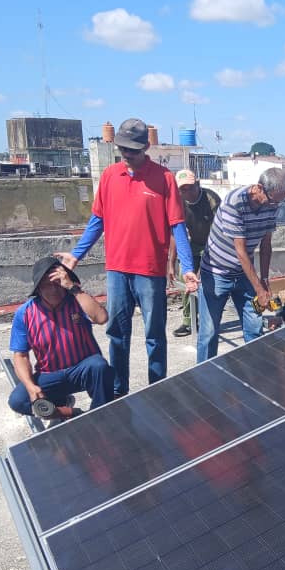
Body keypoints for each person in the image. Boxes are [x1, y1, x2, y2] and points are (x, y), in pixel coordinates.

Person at [55, 118, 197, 398]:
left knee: (154, 337)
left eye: (132, 149)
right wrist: (75, 256)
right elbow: (98, 220)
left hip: (149, 272)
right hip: (117, 270)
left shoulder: (164, 179)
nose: (127, 154)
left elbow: (177, 226)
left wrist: (188, 267)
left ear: (146, 146)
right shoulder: (109, 176)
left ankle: (157, 389)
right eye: (122, 149)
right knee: (117, 335)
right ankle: (119, 393)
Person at [196, 167, 285, 362]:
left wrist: (264, 280)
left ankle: (256, 378)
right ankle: (204, 383)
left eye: (281, 201)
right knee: (209, 332)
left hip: (244, 276)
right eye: (273, 200)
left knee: (255, 327)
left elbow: (266, 245)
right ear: (258, 188)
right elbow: (240, 251)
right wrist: (259, 289)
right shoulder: (234, 203)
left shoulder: (273, 203)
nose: (276, 205)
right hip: (215, 274)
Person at [8, 256, 114, 421]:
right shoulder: (25, 313)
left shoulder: (77, 301)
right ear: (38, 289)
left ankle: (100, 416)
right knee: (18, 401)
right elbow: (20, 356)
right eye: (47, 285)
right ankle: (70, 412)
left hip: (82, 369)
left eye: (58, 283)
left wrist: (72, 287)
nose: (54, 290)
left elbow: (101, 318)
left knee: (99, 366)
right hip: (50, 374)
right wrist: (31, 387)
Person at [167, 169, 221, 337]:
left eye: (190, 188)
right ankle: (189, 321)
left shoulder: (212, 200)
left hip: (214, 246)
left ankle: (210, 320)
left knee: (207, 283)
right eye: (182, 189)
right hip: (193, 245)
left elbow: (217, 235)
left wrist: (201, 268)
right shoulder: (177, 203)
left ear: (197, 184)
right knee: (188, 282)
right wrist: (171, 263)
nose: (187, 192)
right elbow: (176, 234)